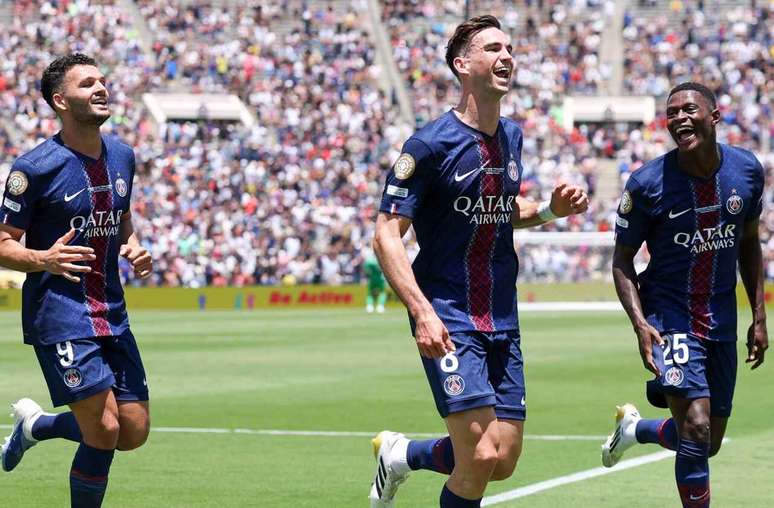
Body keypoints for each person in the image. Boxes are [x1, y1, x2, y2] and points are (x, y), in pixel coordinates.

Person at [370, 16, 589, 508]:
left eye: (509, 47)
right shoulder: (428, 145)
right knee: (481, 455)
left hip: (501, 315)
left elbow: (501, 210)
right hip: (448, 313)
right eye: (493, 48)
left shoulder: (511, 136)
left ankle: (403, 454)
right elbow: (386, 233)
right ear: (462, 65)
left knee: (503, 458)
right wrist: (422, 312)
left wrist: (552, 209)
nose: (507, 55)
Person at [602, 82, 767, 507]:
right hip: (668, 315)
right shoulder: (647, 184)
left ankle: (636, 430)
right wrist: (640, 324)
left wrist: (760, 316)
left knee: (705, 439)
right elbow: (622, 261)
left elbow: (749, 244)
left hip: (721, 317)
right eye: (671, 112)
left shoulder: (746, 170)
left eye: (688, 109)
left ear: (714, 116)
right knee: (695, 427)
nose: (679, 118)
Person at [0, 53, 153, 508]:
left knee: (133, 431)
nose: (101, 88)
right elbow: (4, 243)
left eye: (103, 80)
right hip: (60, 313)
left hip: (112, 312)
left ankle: (35, 427)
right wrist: (43, 258)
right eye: (88, 84)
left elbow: (121, 217)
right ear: (61, 100)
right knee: (103, 430)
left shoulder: (124, 156)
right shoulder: (34, 168)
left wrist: (135, 245)